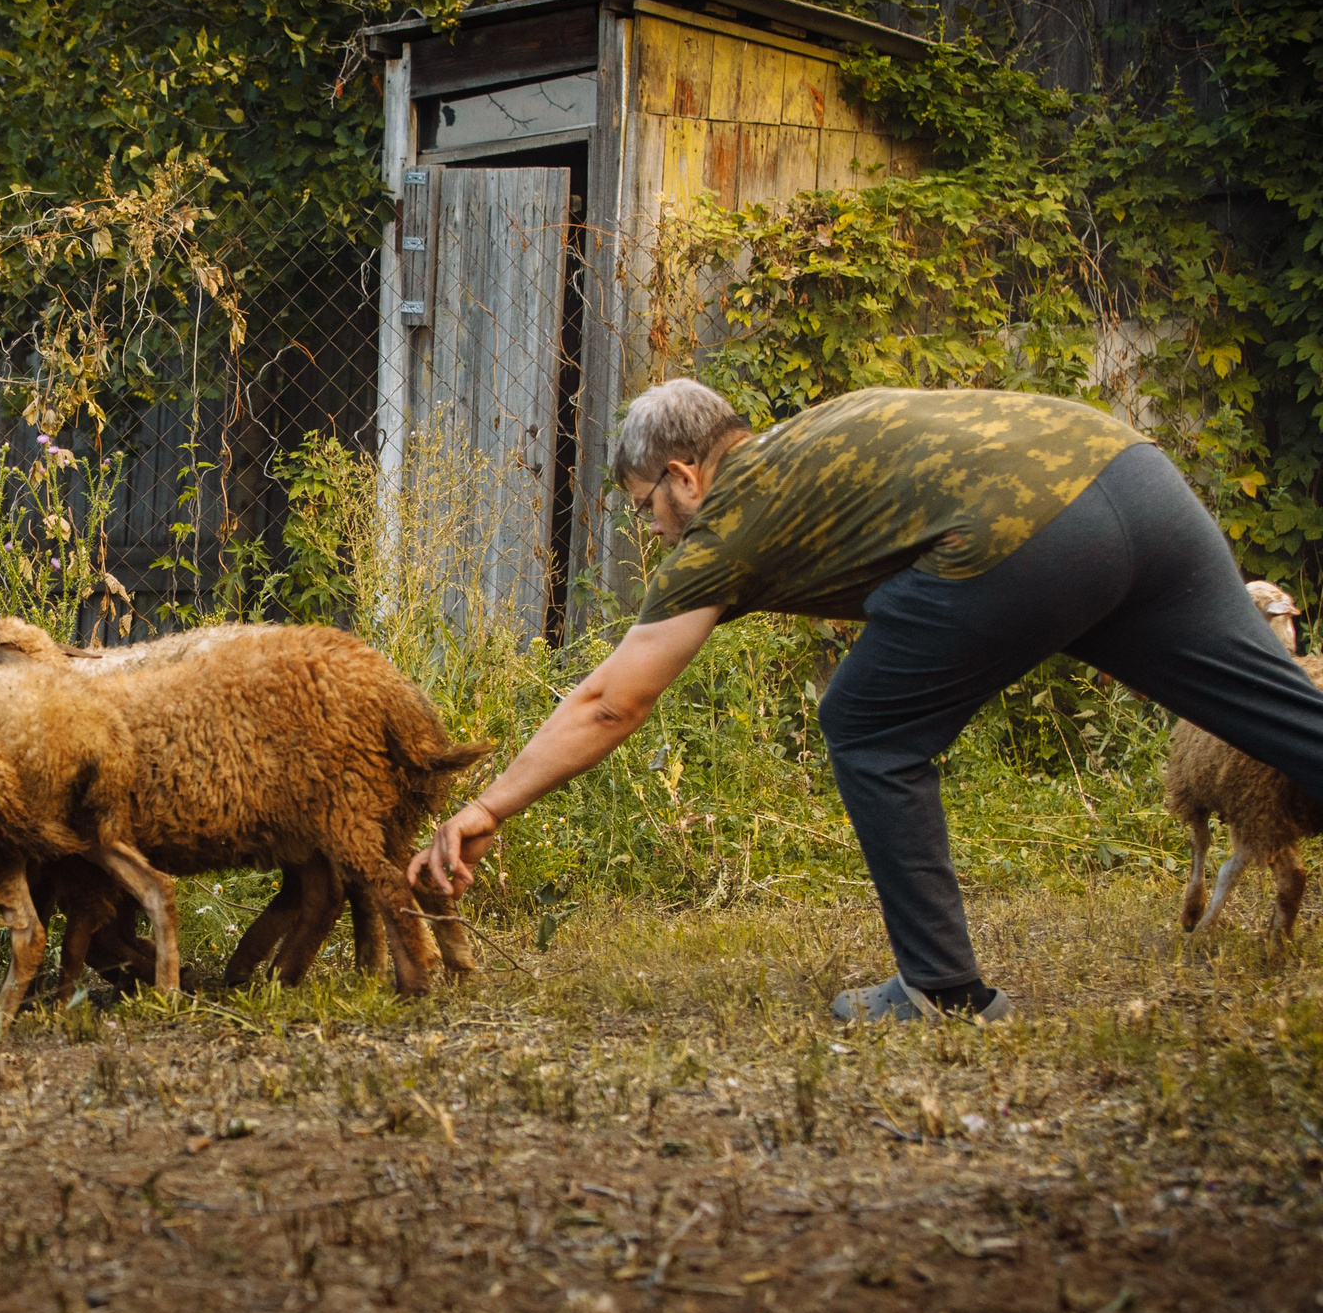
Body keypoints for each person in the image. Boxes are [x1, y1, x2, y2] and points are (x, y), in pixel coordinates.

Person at [408, 380, 1323, 1022]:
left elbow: (613, 700)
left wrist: (489, 804)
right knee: (1281, 718)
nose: (653, 530)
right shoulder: (815, 440)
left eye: (647, 505)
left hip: (1032, 528)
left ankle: (940, 990)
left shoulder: (732, 519)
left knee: (867, 720)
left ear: (685, 476)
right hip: (1131, 473)